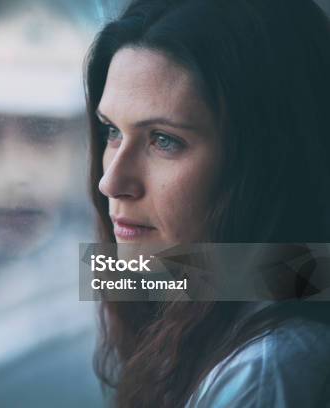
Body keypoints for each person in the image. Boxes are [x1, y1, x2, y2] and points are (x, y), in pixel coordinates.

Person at [84, 0, 330, 406]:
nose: (110, 182)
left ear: (267, 163)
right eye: (111, 130)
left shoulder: (266, 373)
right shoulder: (212, 299)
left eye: (164, 140)